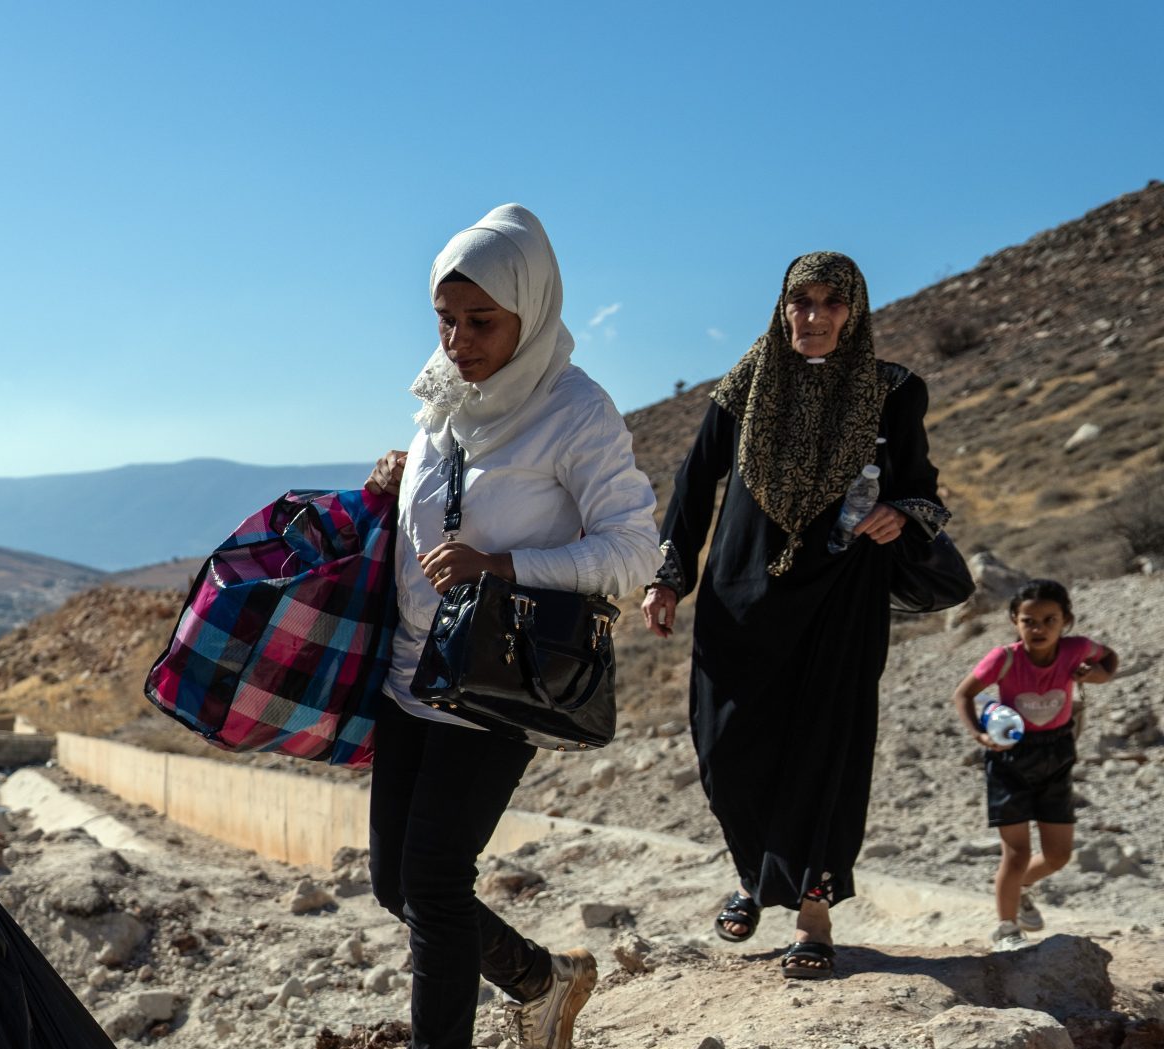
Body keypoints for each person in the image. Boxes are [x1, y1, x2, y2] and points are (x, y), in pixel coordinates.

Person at [364, 204, 656, 1049]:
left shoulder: (575, 410)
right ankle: (543, 979)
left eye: (481, 321)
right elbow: (450, 493)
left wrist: (506, 568)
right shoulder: (445, 394)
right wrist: (393, 473)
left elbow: (636, 549)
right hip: (410, 676)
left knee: (435, 876)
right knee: (397, 885)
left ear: (530, 308)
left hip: (496, 679)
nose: (459, 340)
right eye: (446, 320)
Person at [644, 251, 952, 980]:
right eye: (801, 303)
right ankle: (756, 874)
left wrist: (899, 514)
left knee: (824, 748)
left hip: (841, 593)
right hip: (739, 590)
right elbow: (694, 486)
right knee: (723, 747)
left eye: (830, 303)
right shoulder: (745, 385)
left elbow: (921, 488)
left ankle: (811, 916)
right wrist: (669, 577)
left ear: (855, 311)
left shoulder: (893, 391)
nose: (814, 317)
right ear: (783, 308)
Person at [951, 579, 1116, 949]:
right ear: (1015, 620)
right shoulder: (1004, 658)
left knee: (1059, 854)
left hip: (1057, 753)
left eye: (1049, 620)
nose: (1038, 628)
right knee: (1018, 851)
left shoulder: (1078, 650)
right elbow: (963, 694)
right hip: (1010, 757)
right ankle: (1006, 929)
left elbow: (1109, 660)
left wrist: (1095, 674)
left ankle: (1020, 886)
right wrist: (979, 734)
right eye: (1029, 620)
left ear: (1066, 621)